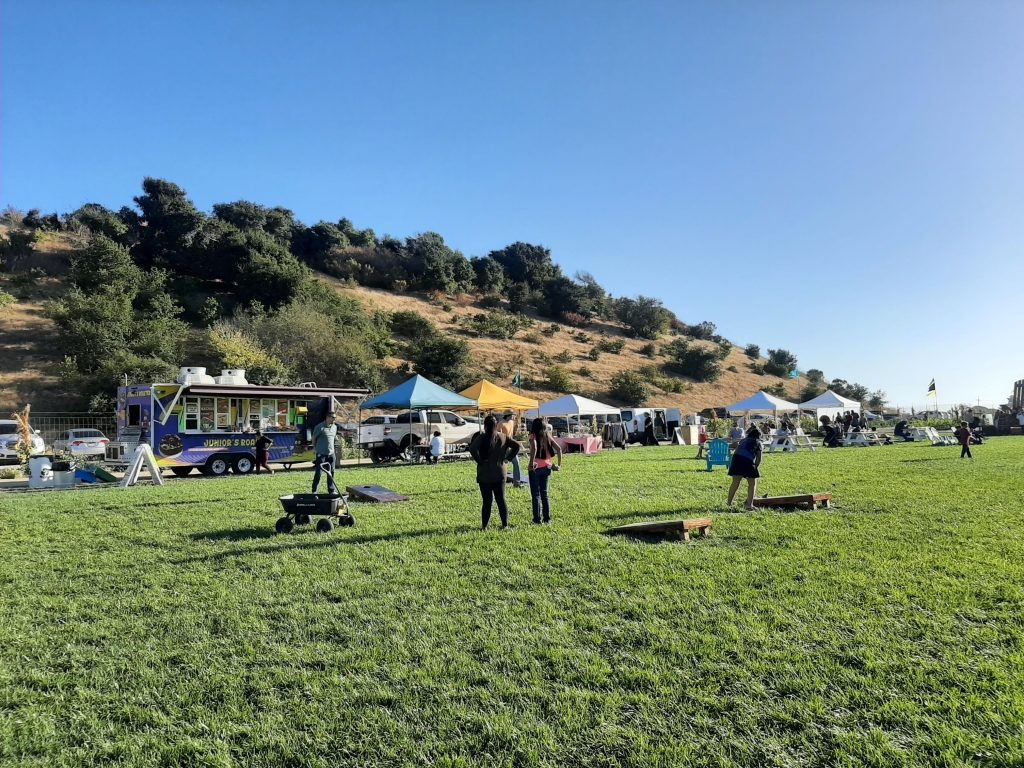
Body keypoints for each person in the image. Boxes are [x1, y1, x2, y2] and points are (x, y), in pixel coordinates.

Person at [469, 415, 519, 530]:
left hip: (484, 473)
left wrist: (480, 461)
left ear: (485, 426)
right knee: (501, 499)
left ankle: (485, 526)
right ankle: (505, 524)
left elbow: (472, 449)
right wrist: (508, 459)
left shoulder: (482, 437)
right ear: (496, 425)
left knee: (487, 501)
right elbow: (516, 447)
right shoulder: (503, 437)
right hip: (500, 472)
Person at [528, 417, 563, 524]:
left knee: (535, 495)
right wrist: (559, 465)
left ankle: (537, 520)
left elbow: (534, 447)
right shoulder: (547, 435)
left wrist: (531, 463)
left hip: (536, 468)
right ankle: (547, 519)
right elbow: (559, 449)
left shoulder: (533, 435)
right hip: (547, 468)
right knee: (545, 494)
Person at [727, 425, 762, 510]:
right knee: (752, 483)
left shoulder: (743, 440)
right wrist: (754, 468)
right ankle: (749, 505)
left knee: (735, 482)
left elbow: (737, 451)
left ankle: (729, 503)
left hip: (736, 459)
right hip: (747, 461)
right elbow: (758, 458)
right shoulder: (758, 442)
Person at [311, 412, 340, 495]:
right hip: (321, 454)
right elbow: (314, 438)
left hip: (331, 454)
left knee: (332, 472)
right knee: (319, 473)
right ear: (327, 417)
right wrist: (315, 449)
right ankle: (314, 491)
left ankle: (331, 490)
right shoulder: (320, 427)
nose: (334, 419)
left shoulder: (334, 427)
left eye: (335, 417)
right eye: (333, 417)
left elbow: (333, 438)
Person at [499, 413, 525, 488]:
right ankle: (500, 483)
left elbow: (511, 435)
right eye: (513, 416)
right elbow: (498, 435)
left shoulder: (511, 422)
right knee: (501, 465)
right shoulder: (501, 423)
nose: (514, 417)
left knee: (517, 464)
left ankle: (517, 483)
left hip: (511, 448)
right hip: (503, 448)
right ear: (508, 416)